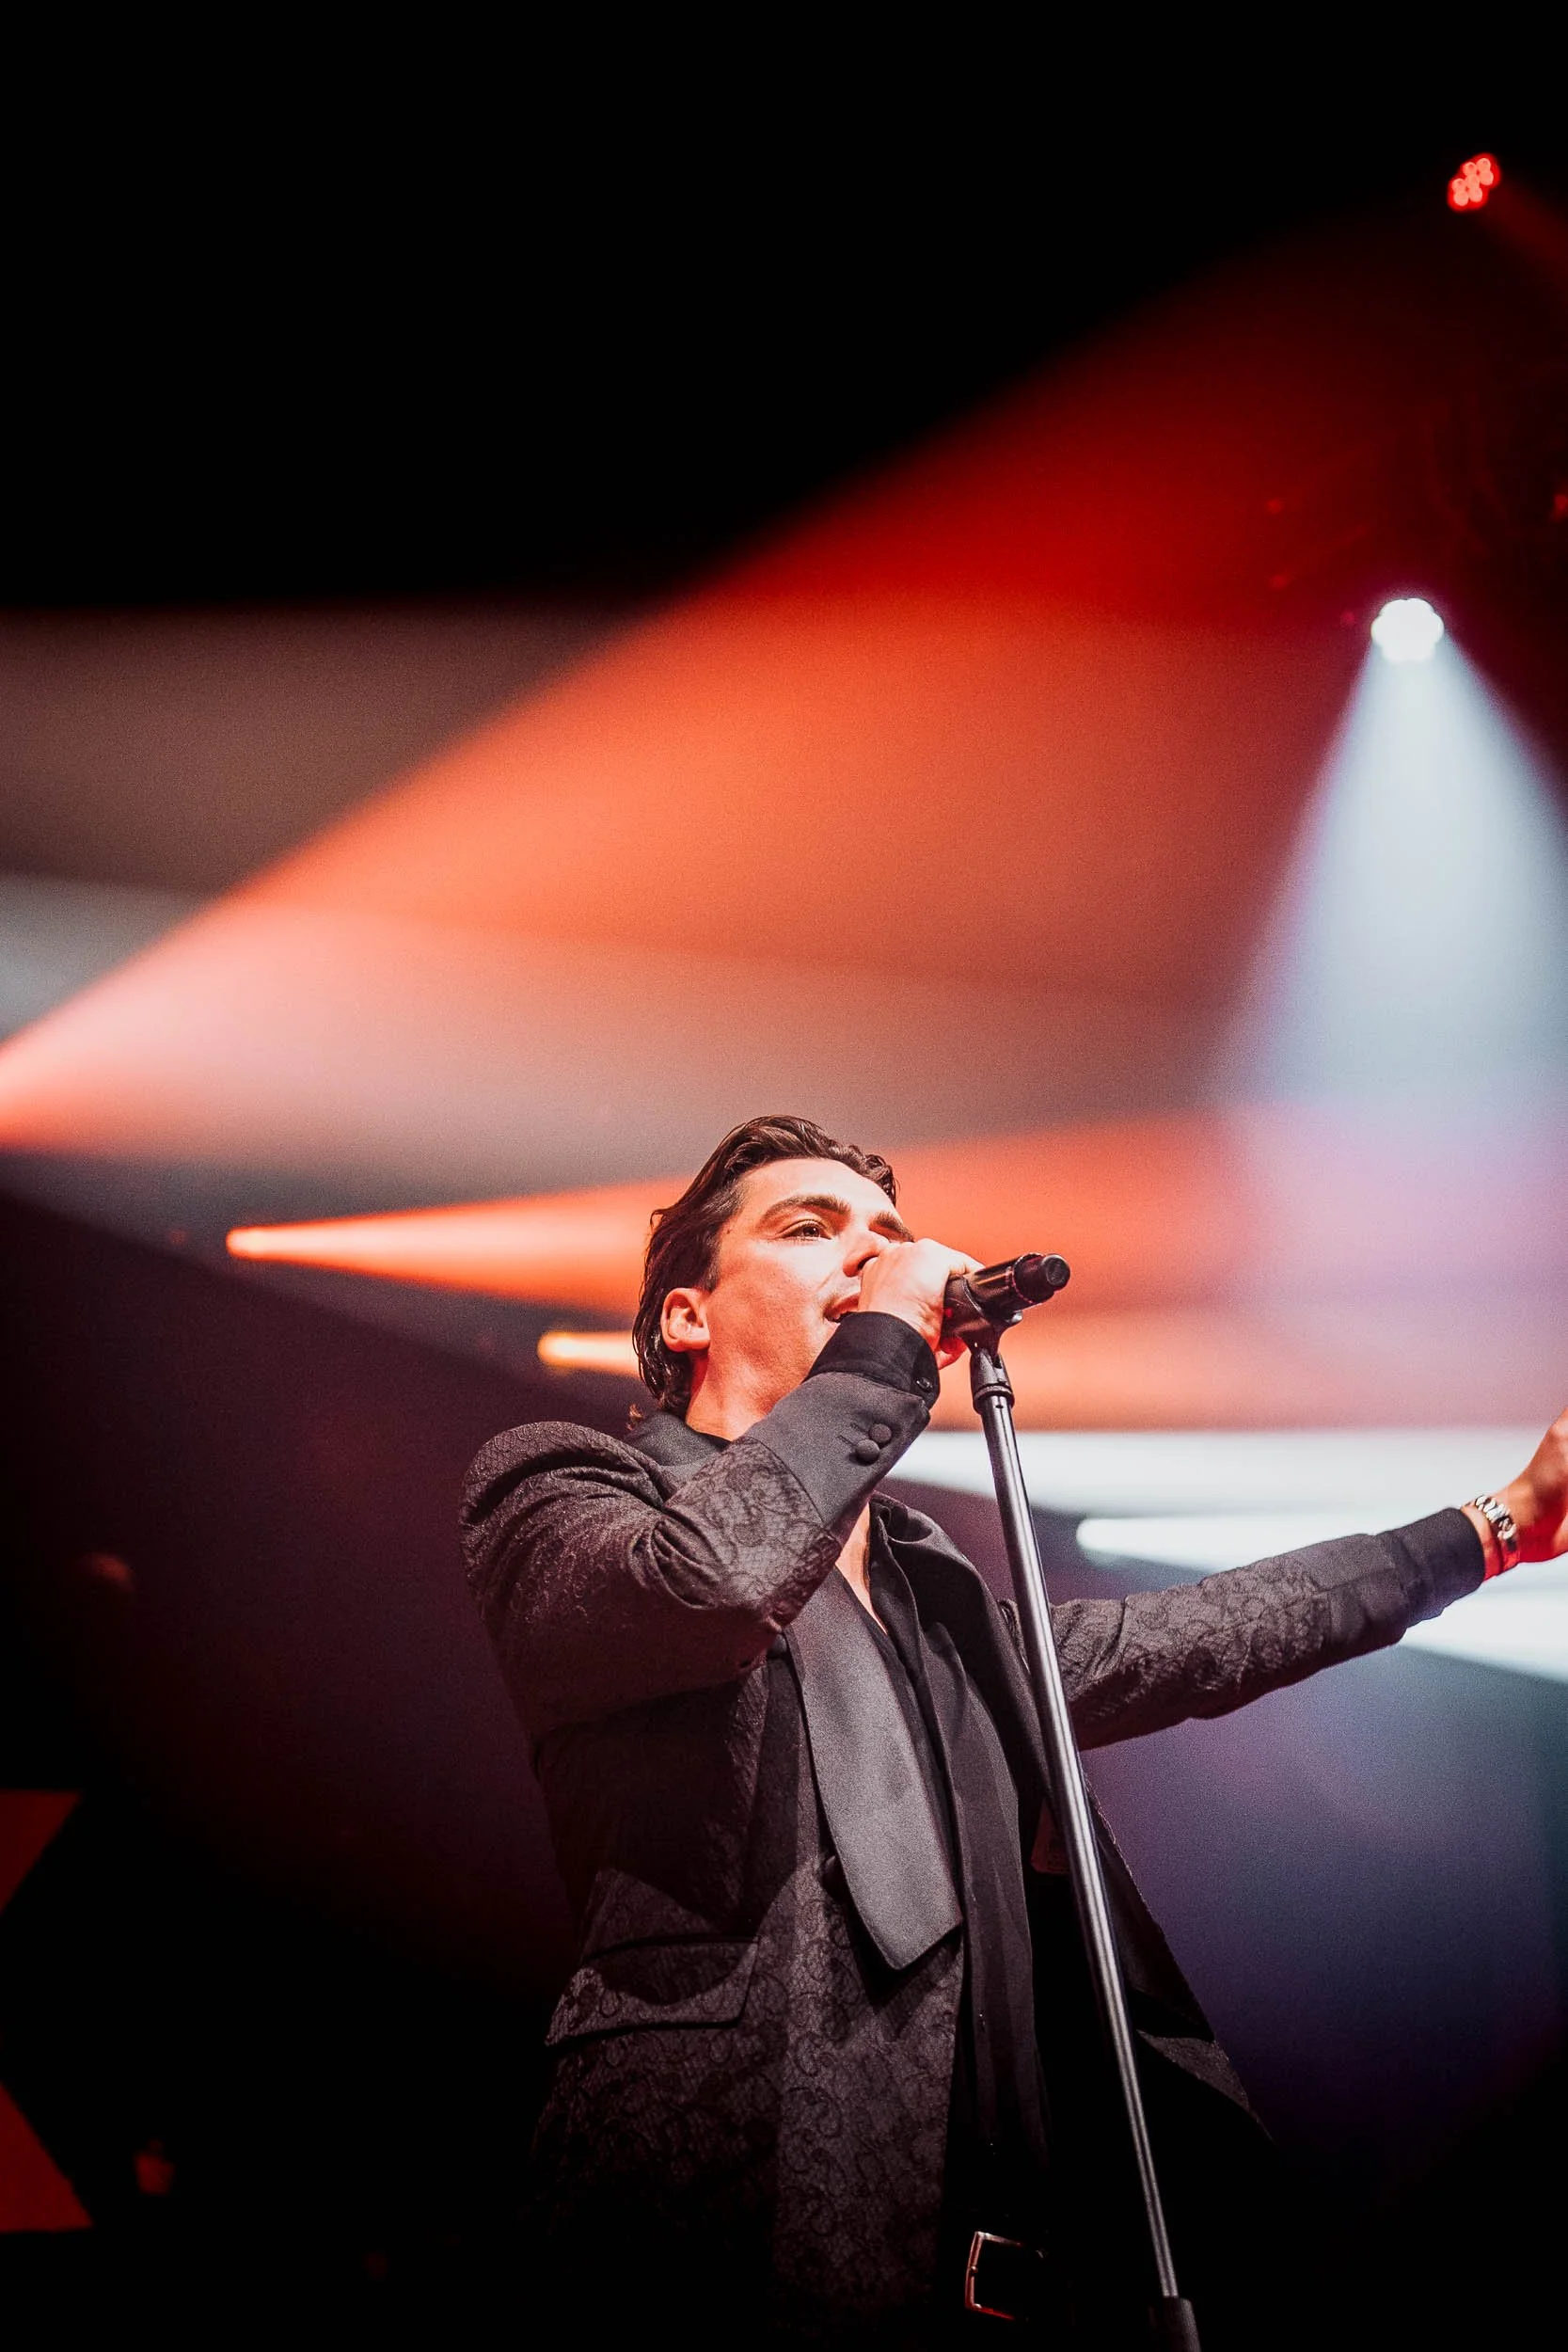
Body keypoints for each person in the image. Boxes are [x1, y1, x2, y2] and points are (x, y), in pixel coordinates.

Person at [460, 1115, 1568, 2347]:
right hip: (715, 2236)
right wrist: (885, 1341)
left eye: (888, 1234)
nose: (872, 1254)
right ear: (687, 1317)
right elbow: (709, 1585)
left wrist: (1502, 1524)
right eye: (810, 1229)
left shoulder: (951, 1619)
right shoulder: (562, 1489)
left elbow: (1218, 1631)